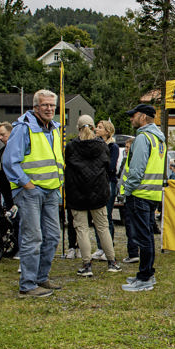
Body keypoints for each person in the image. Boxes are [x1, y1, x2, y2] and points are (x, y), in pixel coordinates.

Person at [4, 90, 64, 298]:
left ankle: (40, 277)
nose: (49, 109)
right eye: (45, 105)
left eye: (52, 105)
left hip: (51, 190)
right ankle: (28, 285)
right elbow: (9, 161)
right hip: (31, 191)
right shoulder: (23, 128)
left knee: (53, 236)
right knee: (33, 237)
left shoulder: (54, 128)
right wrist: (27, 185)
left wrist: (58, 185)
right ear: (35, 107)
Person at [64, 115, 120, 277]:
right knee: (103, 227)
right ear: (93, 128)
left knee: (82, 229)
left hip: (77, 192)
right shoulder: (102, 146)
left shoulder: (71, 146)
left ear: (78, 128)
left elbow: (67, 165)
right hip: (98, 192)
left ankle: (87, 264)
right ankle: (112, 262)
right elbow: (107, 166)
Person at [121, 104, 167, 292]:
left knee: (143, 237)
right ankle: (146, 273)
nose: (131, 119)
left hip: (139, 193)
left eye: (133, 115)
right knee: (147, 235)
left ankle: (145, 277)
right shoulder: (159, 139)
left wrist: (126, 190)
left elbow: (137, 170)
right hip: (152, 194)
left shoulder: (143, 138)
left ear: (142, 117)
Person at [94, 120, 120, 253]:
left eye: (100, 127)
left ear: (107, 131)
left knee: (107, 215)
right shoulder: (95, 144)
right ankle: (100, 246)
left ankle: (108, 247)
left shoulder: (113, 147)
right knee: (97, 216)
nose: (96, 129)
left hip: (108, 181)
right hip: (97, 182)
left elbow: (111, 166)